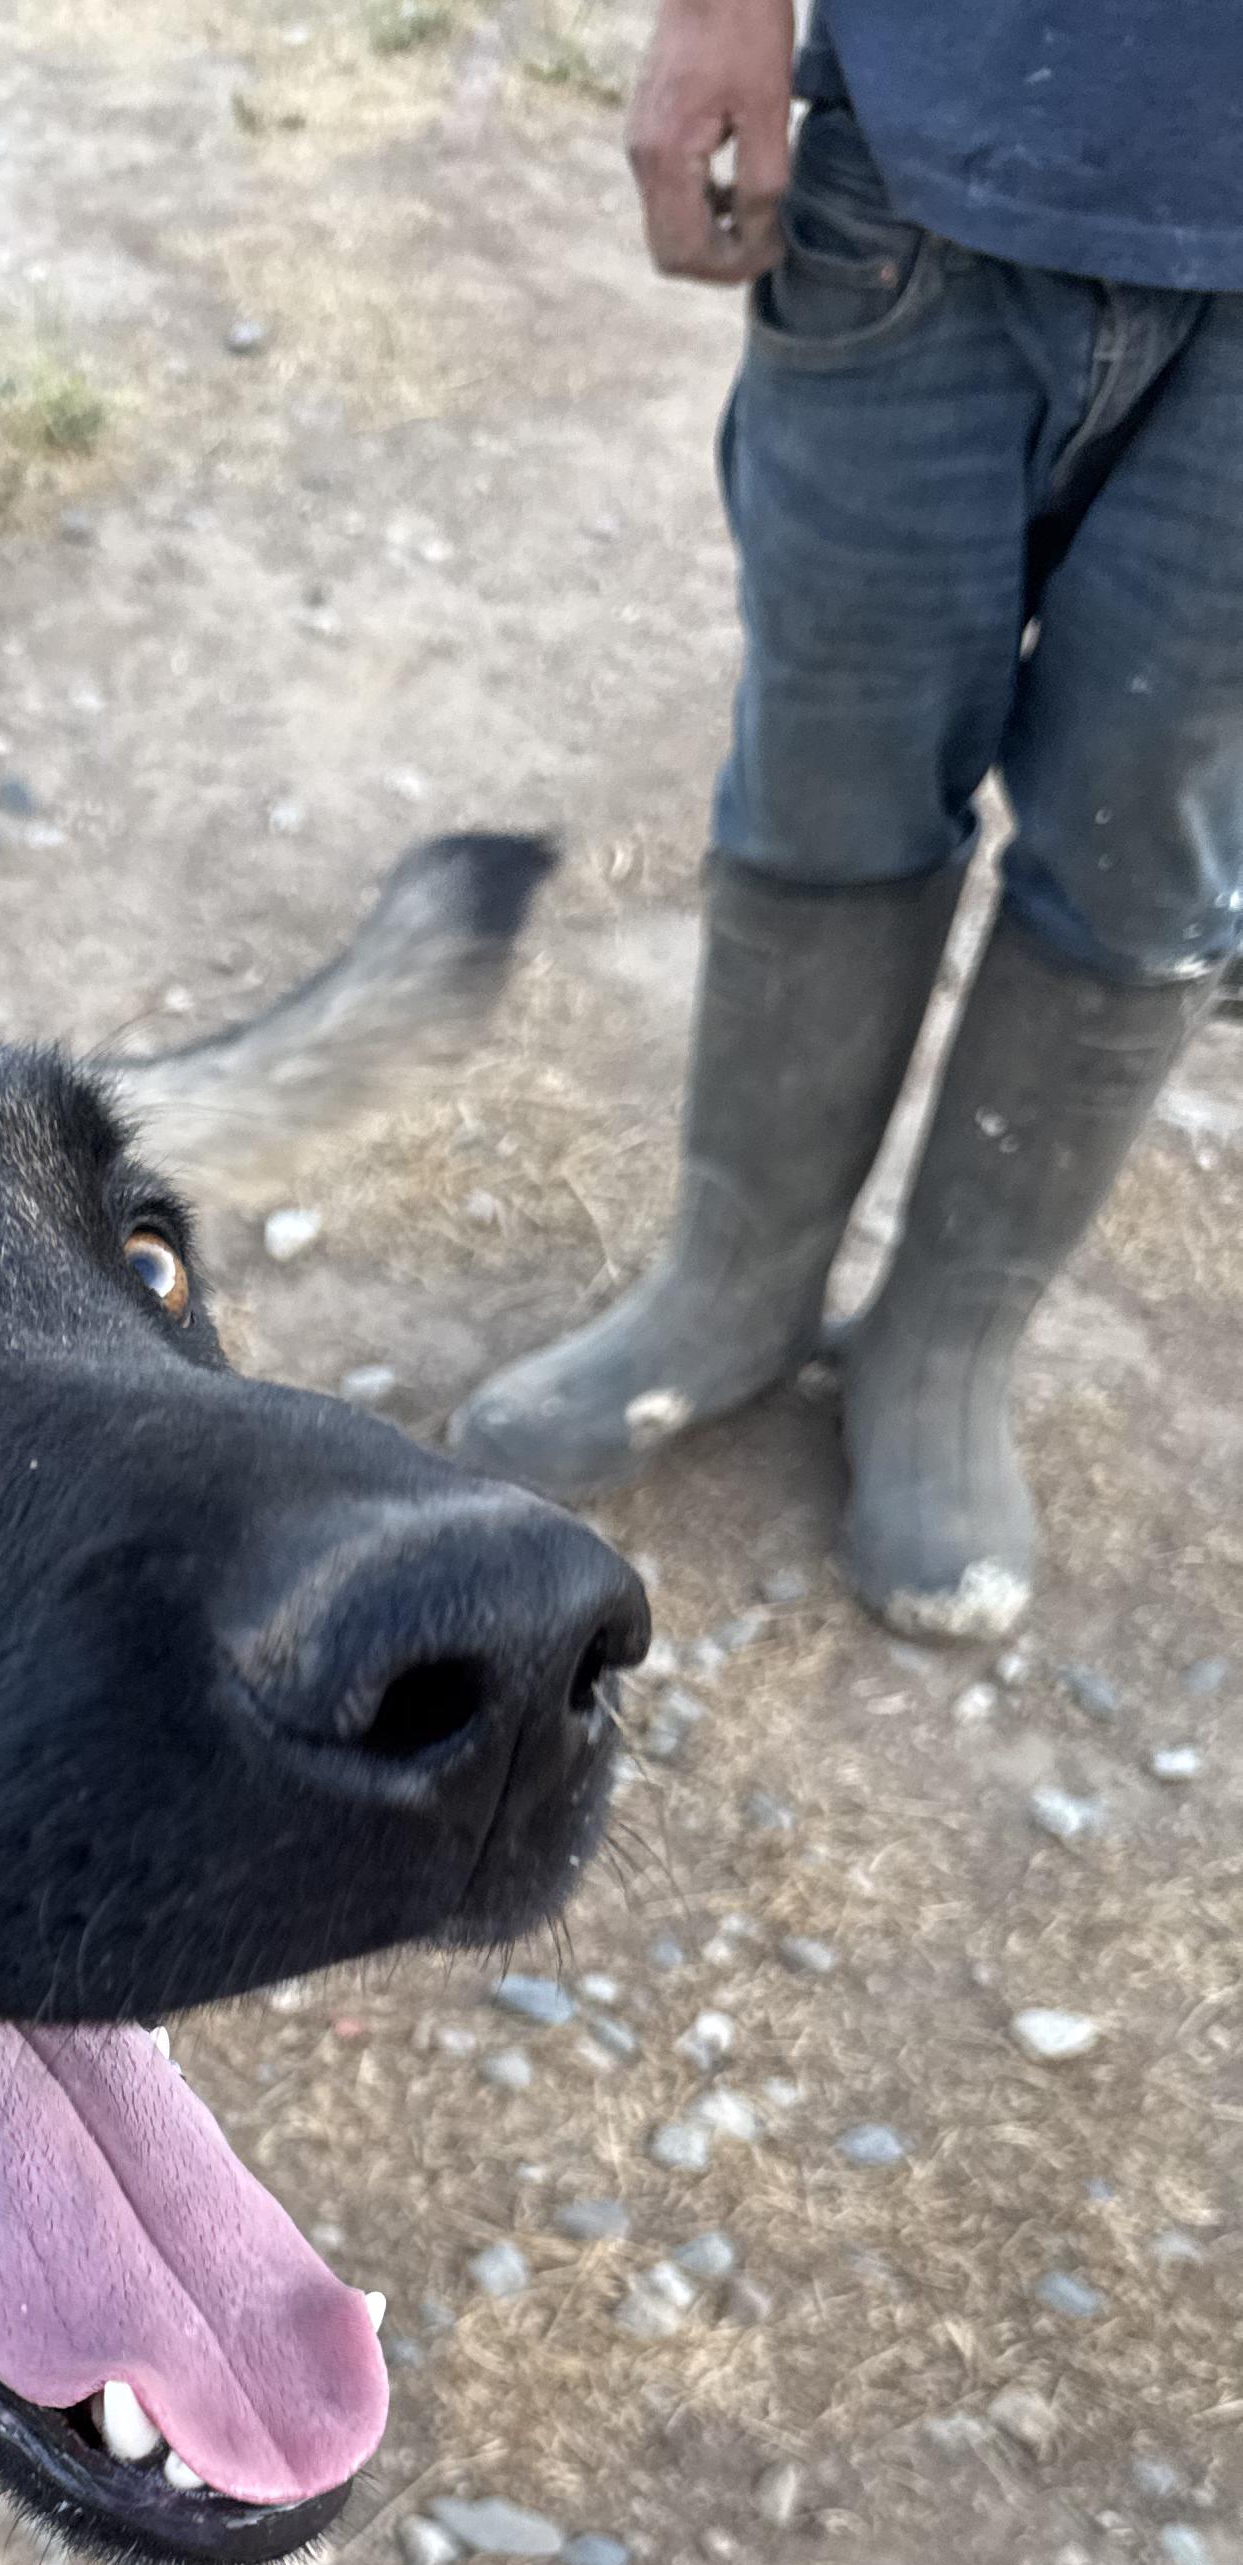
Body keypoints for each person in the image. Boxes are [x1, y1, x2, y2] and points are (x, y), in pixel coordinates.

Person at [448, 0, 1243, 1641]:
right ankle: (731, 1293)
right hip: (920, 151)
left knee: (1143, 849)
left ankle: (944, 1346)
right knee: (831, 779)